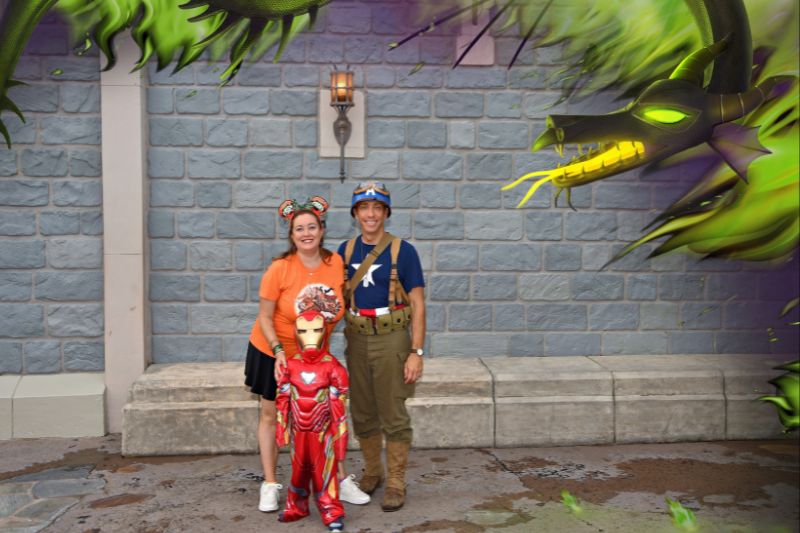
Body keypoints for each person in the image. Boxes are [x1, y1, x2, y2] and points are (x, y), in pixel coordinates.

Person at [244, 196, 369, 514]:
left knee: (326, 418)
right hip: (275, 351)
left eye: (311, 227)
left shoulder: (335, 264)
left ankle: (338, 480)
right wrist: (278, 352)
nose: (306, 233)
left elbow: (334, 307)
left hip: (315, 356)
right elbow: (264, 316)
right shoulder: (279, 269)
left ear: (322, 230)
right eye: (299, 228)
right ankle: (271, 484)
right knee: (272, 415)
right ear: (291, 234)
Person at [337, 181, 426, 512]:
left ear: (386, 213)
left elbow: (418, 304)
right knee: (362, 410)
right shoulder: (344, 252)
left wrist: (416, 352)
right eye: (364, 208)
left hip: (393, 338)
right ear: (356, 214)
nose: (370, 214)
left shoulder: (404, 251)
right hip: (357, 338)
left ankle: (396, 480)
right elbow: (333, 299)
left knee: (393, 411)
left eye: (377, 208)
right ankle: (373, 471)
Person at [276, 309, 349, 532]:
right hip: (299, 431)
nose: (310, 336)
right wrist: (282, 429)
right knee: (298, 471)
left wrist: (340, 437)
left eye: (316, 330)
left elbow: (340, 407)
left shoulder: (333, 367)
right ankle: (296, 507)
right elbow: (283, 399)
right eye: (304, 330)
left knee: (324, 472)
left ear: (324, 332)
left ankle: (331, 510)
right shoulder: (290, 365)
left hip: (322, 432)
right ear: (296, 333)